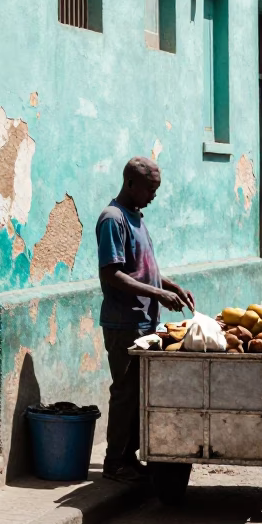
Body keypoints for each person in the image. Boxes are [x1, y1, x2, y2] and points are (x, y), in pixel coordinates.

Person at [96, 157, 195, 483]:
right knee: (125, 392)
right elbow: (112, 274)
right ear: (130, 184)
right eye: (150, 189)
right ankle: (114, 463)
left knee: (141, 392)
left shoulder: (136, 217)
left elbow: (143, 268)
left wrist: (171, 285)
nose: (153, 196)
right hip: (125, 324)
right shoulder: (113, 219)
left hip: (144, 322)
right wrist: (157, 295)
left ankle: (130, 457)